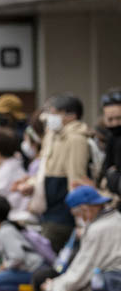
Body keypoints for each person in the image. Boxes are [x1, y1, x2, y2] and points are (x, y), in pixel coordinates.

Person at [40, 94, 94, 253]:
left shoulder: (76, 138)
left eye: (55, 113)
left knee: (51, 254)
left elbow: (76, 177)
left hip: (64, 211)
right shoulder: (53, 135)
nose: (50, 117)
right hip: (49, 208)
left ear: (71, 116)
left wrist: (78, 214)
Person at [0, 195, 45, 291]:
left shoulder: (6, 231)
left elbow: (18, 257)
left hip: (34, 270)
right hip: (25, 270)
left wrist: (5, 266)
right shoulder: (2, 229)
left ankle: (33, 290)